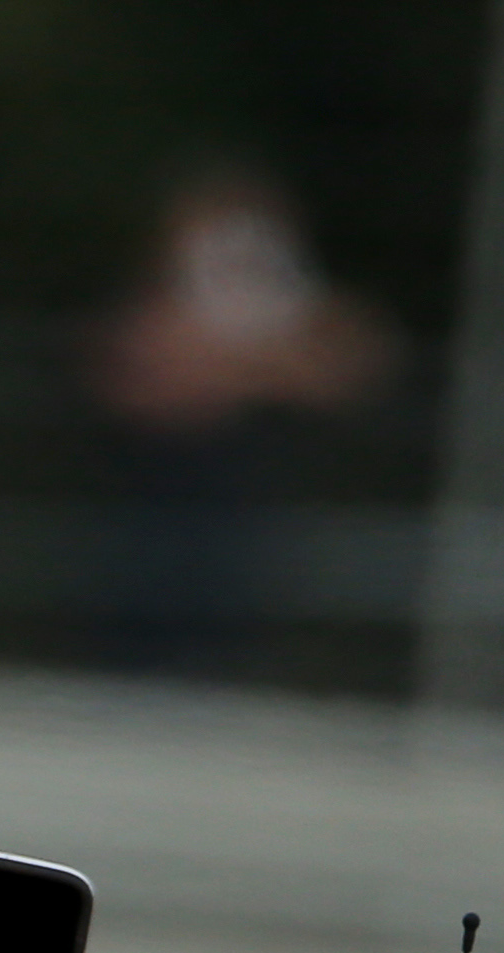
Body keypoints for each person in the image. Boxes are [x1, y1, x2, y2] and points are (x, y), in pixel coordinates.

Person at [94, 170, 391, 676]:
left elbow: (351, 371)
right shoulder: (150, 308)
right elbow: (142, 381)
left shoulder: (309, 309)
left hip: (265, 513)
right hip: (168, 505)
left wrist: (234, 369)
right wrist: (250, 369)